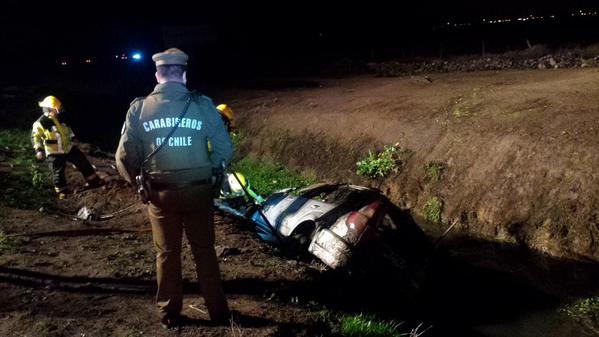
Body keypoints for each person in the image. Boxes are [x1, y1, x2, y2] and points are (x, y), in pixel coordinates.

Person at [115, 48, 234, 329]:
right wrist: (214, 173)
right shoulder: (203, 105)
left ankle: (170, 312)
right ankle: (218, 311)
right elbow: (224, 149)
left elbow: (123, 156)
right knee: (204, 251)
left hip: (160, 194)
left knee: (167, 253)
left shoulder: (139, 108)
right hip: (198, 192)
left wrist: (137, 182)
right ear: (183, 74)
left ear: (158, 74)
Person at [31, 95, 104, 199]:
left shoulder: (60, 119)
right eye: (56, 109)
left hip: (68, 148)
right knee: (58, 172)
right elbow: (35, 137)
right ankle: (62, 192)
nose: (59, 110)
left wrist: (73, 138)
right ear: (49, 109)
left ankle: (94, 181)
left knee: (82, 160)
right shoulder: (40, 123)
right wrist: (38, 150)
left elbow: (67, 130)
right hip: (54, 152)